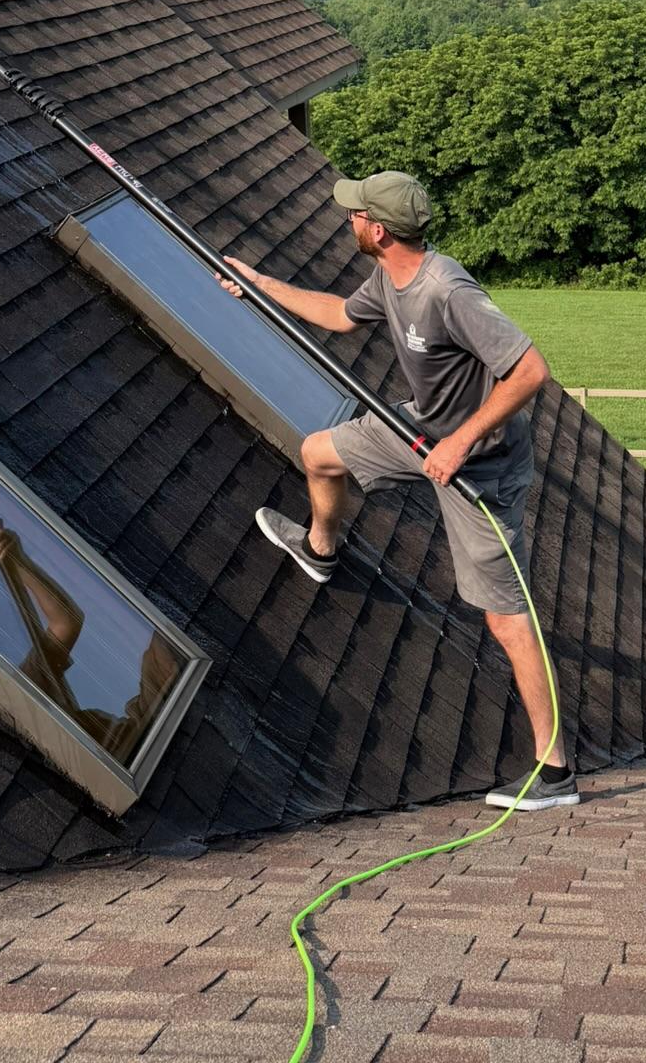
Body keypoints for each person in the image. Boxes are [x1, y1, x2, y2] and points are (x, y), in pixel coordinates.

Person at [218, 169, 579, 810]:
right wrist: (260, 286)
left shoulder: (447, 289)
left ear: (377, 230)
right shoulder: (388, 275)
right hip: (419, 432)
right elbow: (338, 316)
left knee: (506, 619)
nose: (348, 221)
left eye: (356, 215)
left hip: (479, 466)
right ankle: (321, 549)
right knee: (318, 454)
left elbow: (531, 371)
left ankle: (555, 774)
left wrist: (461, 441)